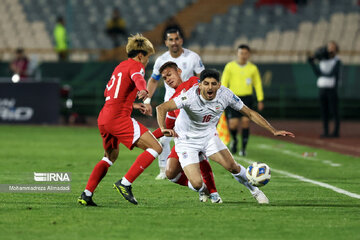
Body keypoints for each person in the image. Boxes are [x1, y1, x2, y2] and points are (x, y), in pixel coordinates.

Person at [156, 69, 295, 204]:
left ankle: (256, 191)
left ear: (219, 85)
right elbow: (161, 108)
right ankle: (204, 191)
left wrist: (273, 130)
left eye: (213, 84)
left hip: (209, 137)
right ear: (200, 84)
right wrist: (163, 128)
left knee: (232, 166)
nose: (210, 87)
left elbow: (250, 113)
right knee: (197, 183)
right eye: (206, 83)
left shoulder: (225, 94)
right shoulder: (189, 96)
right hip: (187, 141)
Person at [78, 34, 162, 206]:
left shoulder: (119, 67)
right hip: (117, 119)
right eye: (148, 57)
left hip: (104, 117)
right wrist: (143, 90)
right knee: (156, 147)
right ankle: (125, 183)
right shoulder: (137, 66)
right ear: (140, 55)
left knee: (110, 156)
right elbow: (138, 79)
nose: (147, 61)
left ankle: (86, 194)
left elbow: (109, 94)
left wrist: (132, 105)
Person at [152, 61, 222, 203]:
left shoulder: (194, 81)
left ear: (179, 71)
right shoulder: (173, 101)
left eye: (169, 74)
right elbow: (167, 127)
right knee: (170, 173)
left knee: (201, 156)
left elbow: (210, 96)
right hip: (183, 140)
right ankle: (202, 189)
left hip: (201, 134)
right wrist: (148, 138)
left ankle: (214, 193)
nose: (168, 79)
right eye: (164, 78)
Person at [146, 28, 205, 180]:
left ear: (181, 40)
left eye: (176, 39)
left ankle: (200, 168)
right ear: (166, 42)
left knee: (195, 136)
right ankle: (163, 168)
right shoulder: (161, 60)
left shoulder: (193, 57)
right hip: (170, 105)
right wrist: (147, 100)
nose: (174, 42)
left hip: (189, 106)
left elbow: (202, 79)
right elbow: (153, 80)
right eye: (170, 40)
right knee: (164, 136)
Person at [221, 44, 264, 156]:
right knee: (233, 124)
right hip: (232, 98)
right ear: (237, 54)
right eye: (241, 53)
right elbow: (224, 83)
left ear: (249, 54)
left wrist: (260, 99)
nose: (243, 55)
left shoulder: (253, 68)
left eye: (246, 53)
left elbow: (258, 84)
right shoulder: (230, 66)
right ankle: (234, 140)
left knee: (245, 123)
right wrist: (222, 97)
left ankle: (243, 148)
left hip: (247, 98)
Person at [308, 41, 341, 138]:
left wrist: (323, 74)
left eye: (333, 47)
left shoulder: (336, 60)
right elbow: (316, 71)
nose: (330, 49)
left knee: (334, 111)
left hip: (332, 88)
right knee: (324, 111)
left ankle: (335, 132)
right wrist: (313, 61)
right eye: (329, 47)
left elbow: (332, 73)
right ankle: (326, 131)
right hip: (322, 88)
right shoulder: (322, 59)